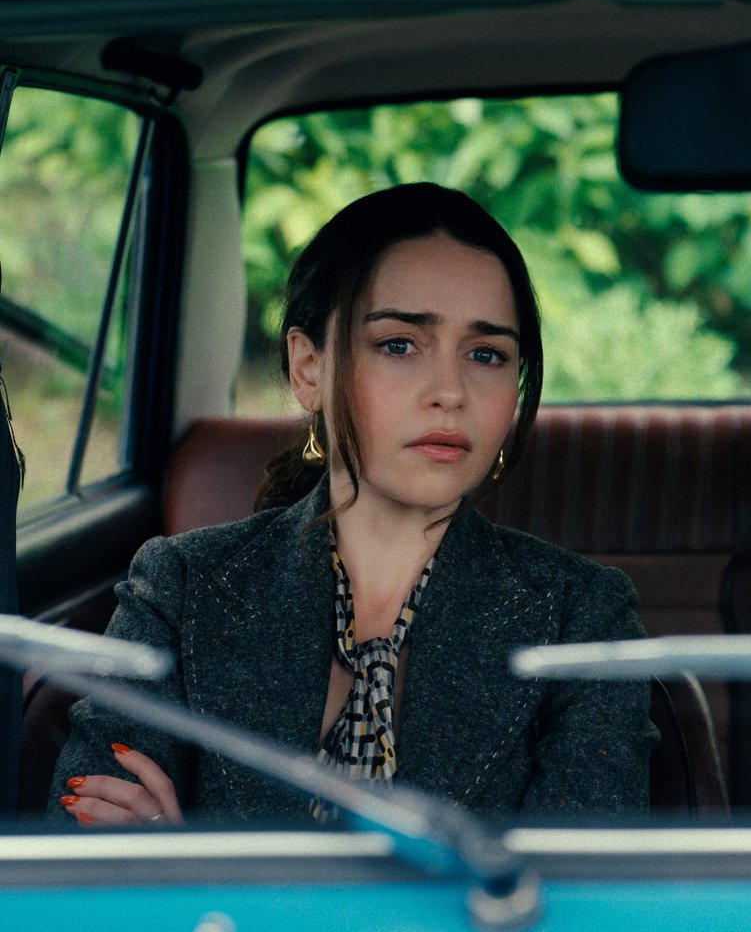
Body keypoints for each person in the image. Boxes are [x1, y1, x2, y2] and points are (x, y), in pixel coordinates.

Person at [51, 183, 654, 826]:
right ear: (308, 367)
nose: (450, 391)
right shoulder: (181, 586)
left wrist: (187, 861)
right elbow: (88, 849)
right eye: (399, 344)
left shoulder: (583, 616)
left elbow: (579, 879)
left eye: (487, 354)